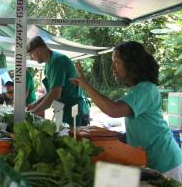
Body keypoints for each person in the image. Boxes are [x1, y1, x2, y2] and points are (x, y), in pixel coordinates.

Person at [71, 41, 182, 182]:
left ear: (131, 64)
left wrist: (84, 84)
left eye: (116, 62)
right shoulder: (138, 89)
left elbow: (113, 110)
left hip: (166, 163)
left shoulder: (146, 89)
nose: (112, 67)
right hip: (153, 162)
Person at [26, 36, 90, 126]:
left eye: (31, 54)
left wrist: (32, 113)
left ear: (39, 50)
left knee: (73, 137)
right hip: (61, 108)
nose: (31, 58)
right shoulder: (49, 64)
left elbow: (55, 95)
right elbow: (51, 92)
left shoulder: (57, 61)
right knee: (59, 134)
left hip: (74, 109)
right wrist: (36, 103)